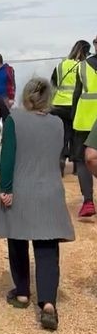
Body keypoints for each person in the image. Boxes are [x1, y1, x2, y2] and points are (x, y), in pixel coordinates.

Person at [0, 78, 74, 330]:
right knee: (47, 248)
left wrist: (6, 188)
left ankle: (21, 293)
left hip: (20, 188)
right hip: (50, 189)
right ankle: (48, 303)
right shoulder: (57, 123)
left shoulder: (14, 119)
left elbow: (7, 157)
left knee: (17, 240)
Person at [50, 40, 90, 176]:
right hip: (74, 105)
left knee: (61, 135)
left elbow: (52, 85)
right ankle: (75, 165)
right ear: (85, 52)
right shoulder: (83, 67)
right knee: (74, 134)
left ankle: (60, 159)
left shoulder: (60, 65)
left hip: (57, 105)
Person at [70, 35, 97, 218]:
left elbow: (77, 94)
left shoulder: (83, 66)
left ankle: (88, 201)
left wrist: (72, 117)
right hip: (86, 119)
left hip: (85, 119)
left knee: (81, 160)